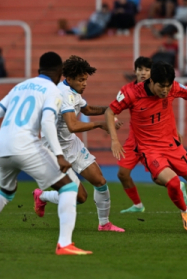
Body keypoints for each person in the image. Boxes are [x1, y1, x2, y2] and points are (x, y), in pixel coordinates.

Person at [0, 52, 91, 255]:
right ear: (60, 72)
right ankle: (65, 244)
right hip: (26, 144)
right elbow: (46, 122)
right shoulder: (53, 90)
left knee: (5, 193)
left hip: (2, 145)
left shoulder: (20, 86)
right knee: (68, 187)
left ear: (38, 70)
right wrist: (59, 155)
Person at [105, 61, 187, 232]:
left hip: (172, 145)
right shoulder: (131, 93)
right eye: (162, 86)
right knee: (174, 183)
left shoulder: (173, 87)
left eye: (168, 87)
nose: (165, 91)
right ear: (151, 81)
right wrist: (114, 140)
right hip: (150, 150)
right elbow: (110, 111)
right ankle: (184, 211)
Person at [33, 55, 125, 232]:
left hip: (71, 144)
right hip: (54, 150)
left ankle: (104, 224)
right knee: (80, 197)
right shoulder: (63, 94)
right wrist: (101, 124)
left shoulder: (73, 91)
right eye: (81, 80)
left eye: (86, 80)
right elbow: (73, 125)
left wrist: (110, 110)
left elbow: (87, 109)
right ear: (69, 78)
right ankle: (42, 196)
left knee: (100, 181)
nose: (85, 84)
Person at [116, 57, 187, 213]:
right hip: (133, 140)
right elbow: (113, 108)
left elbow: (165, 113)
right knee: (122, 174)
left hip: (152, 142)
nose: (143, 73)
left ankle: (177, 184)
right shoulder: (128, 90)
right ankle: (138, 205)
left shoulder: (160, 90)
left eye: (147, 70)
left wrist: (174, 132)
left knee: (156, 178)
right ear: (134, 71)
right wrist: (113, 118)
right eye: (140, 69)